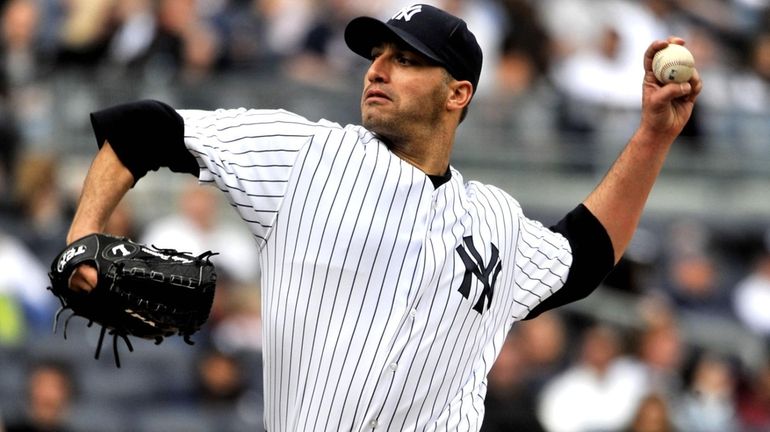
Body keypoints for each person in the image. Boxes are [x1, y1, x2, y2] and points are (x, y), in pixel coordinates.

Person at [61, 3, 702, 431]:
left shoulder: (497, 220)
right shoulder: (309, 155)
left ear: (458, 94)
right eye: (377, 54)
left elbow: (585, 257)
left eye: (406, 58)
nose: (378, 68)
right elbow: (144, 128)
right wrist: (80, 242)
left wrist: (653, 136)